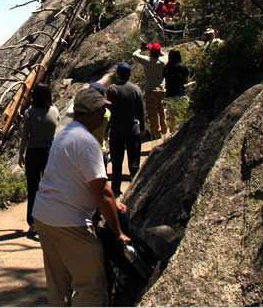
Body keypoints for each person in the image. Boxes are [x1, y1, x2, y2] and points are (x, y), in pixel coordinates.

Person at [33, 88, 131, 307]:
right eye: (102, 110)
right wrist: (119, 232)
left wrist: (111, 202)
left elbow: (74, 179)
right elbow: (102, 191)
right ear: (94, 112)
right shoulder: (88, 143)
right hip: (69, 222)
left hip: (44, 215)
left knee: (58, 286)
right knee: (92, 284)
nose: (104, 114)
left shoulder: (65, 134)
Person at [18, 83, 59, 235]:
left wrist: (21, 153)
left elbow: (25, 136)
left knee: (33, 188)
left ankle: (33, 221)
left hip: (33, 153)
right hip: (50, 152)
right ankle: (51, 219)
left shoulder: (29, 113)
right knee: (50, 186)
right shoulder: (54, 111)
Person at [106, 62, 147, 197]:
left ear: (118, 74)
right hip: (132, 130)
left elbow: (108, 111)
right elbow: (141, 111)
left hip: (117, 131)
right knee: (134, 163)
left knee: (117, 164)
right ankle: (135, 190)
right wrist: (142, 127)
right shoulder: (135, 89)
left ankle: (116, 190)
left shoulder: (112, 90)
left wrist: (106, 129)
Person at [132, 43, 168, 140]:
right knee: (161, 111)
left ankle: (157, 134)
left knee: (153, 114)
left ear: (151, 52)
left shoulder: (148, 61)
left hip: (151, 91)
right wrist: (155, 49)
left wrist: (142, 49)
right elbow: (164, 54)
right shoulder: (163, 61)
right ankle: (164, 129)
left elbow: (134, 55)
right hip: (161, 89)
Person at [162, 49, 190, 137]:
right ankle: (185, 136)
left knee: (172, 118)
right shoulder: (182, 67)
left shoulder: (166, 67)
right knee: (184, 117)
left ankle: (172, 136)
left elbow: (165, 79)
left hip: (170, 95)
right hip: (180, 93)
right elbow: (186, 81)